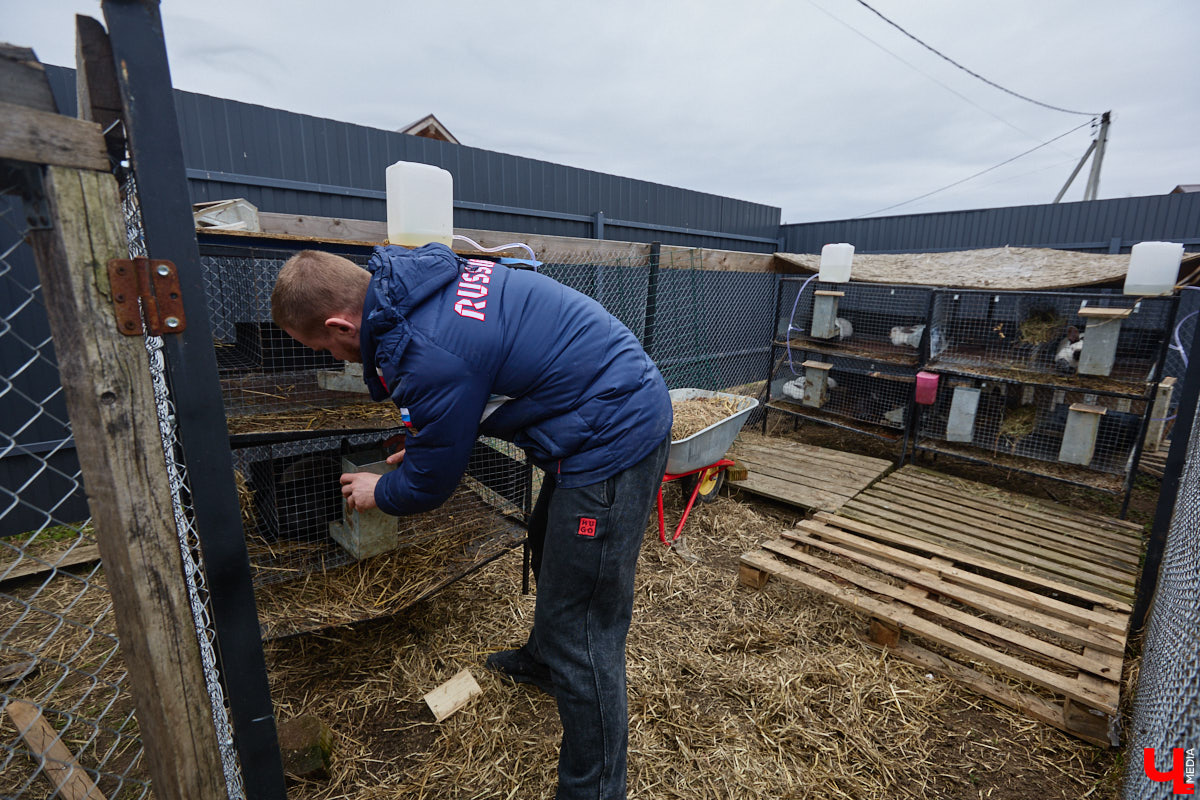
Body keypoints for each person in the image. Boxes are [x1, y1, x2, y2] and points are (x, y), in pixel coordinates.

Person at [271, 243, 672, 800]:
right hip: (592, 406)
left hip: (612, 432)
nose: (333, 357)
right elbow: (460, 399)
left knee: (588, 626)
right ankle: (542, 661)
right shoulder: (411, 287)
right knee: (549, 540)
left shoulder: (425, 349)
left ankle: (596, 788)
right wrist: (427, 446)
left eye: (323, 345)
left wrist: (380, 489)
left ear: (340, 323)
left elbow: (430, 485)